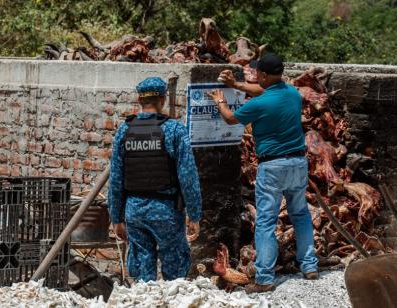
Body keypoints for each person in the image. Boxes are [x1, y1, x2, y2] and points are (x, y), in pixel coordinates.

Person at [209, 53, 318, 293]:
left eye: (258, 74)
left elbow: (229, 119)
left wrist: (219, 99)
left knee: (266, 221)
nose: (256, 76)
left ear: (265, 75)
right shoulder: (292, 93)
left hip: (273, 166)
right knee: (300, 214)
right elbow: (263, 92)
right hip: (298, 163)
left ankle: (265, 278)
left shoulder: (259, 104)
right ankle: (309, 266)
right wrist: (236, 85)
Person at [108, 77, 202, 281]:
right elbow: (188, 176)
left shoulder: (124, 130)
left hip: (134, 211)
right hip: (166, 211)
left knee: (142, 270)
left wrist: (116, 218)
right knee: (175, 270)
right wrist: (194, 214)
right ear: (162, 99)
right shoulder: (174, 129)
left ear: (139, 100)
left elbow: (116, 178)